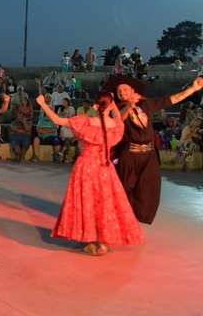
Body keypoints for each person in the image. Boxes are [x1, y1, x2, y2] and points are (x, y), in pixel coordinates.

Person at [36, 91, 143, 256]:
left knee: (87, 202)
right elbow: (118, 117)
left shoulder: (85, 122)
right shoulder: (115, 125)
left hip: (86, 167)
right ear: (111, 105)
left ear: (94, 105)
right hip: (105, 168)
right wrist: (115, 104)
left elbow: (57, 120)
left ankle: (91, 239)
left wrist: (43, 104)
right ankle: (102, 241)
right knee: (105, 204)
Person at [108, 75, 203, 223]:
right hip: (129, 155)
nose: (122, 92)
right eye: (119, 91)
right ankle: (121, 221)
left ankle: (134, 220)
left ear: (133, 90)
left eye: (125, 89)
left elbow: (171, 99)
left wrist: (193, 88)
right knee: (123, 190)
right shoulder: (116, 108)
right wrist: (129, 106)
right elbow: (117, 121)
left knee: (148, 190)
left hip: (149, 156)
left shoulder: (146, 104)